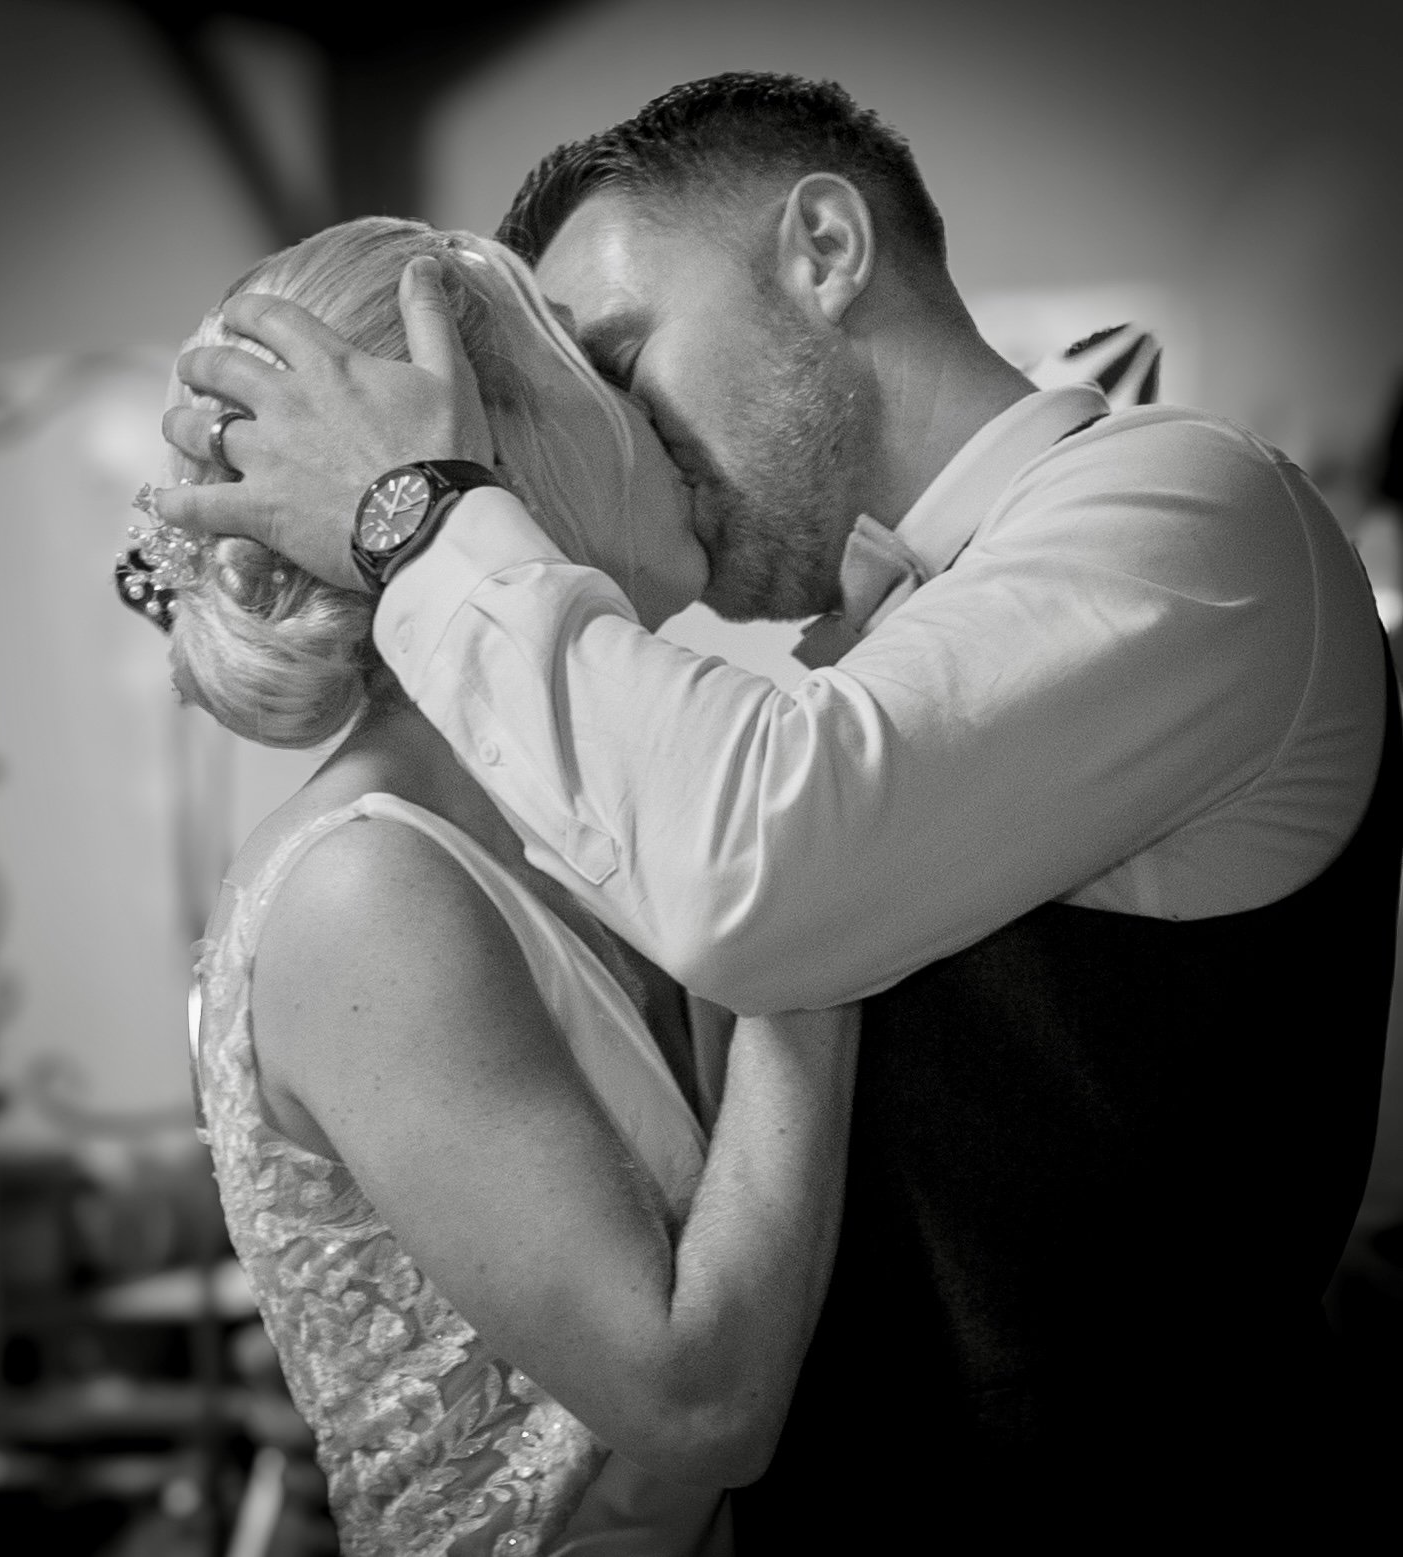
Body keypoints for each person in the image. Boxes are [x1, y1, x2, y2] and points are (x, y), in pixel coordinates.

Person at [155, 74, 1401, 1538]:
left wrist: (414, 512)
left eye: (623, 357)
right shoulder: (451, 855)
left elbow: (766, 869)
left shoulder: (1187, 508)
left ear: (823, 248)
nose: (623, 430)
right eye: (580, 391)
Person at [123, 213, 859, 1556]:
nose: (659, 417)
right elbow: (696, 1406)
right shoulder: (362, 889)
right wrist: (824, 888)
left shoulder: (586, 814)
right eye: (602, 371)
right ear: (484, 452)